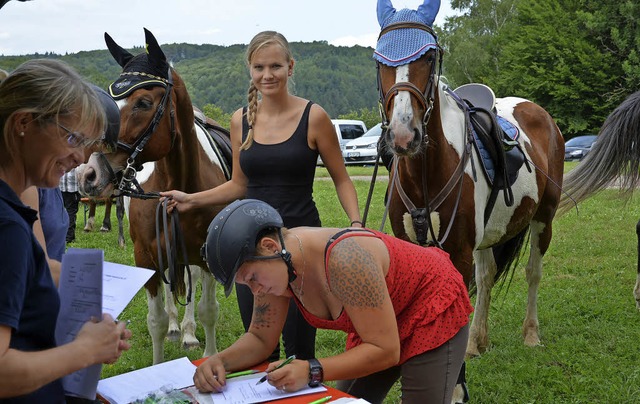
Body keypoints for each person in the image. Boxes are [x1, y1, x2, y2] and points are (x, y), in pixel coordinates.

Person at [161, 31, 362, 362]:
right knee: (259, 346)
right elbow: (239, 185)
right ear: (250, 71)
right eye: (259, 67)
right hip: (250, 246)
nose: (267, 75)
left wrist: (355, 224)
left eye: (275, 66)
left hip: (300, 247)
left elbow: (341, 179)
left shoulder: (314, 117)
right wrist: (191, 199)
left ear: (290, 67)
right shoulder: (242, 120)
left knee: (300, 352)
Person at [195, 199, 473, 404]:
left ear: (269, 246)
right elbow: (259, 338)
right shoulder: (276, 266)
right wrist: (218, 361)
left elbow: (386, 350)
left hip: (429, 305)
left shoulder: (345, 260)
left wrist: (312, 370)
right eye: (247, 284)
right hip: (377, 322)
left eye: (252, 278)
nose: (255, 291)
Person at [0, 58, 132, 402]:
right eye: (73, 137)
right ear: (23, 123)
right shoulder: (7, 230)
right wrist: (85, 351)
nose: (79, 157)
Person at [59, 167, 81, 243]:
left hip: (61, 187)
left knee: (61, 212)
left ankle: (62, 236)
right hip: (73, 188)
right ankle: (69, 237)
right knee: (71, 213)